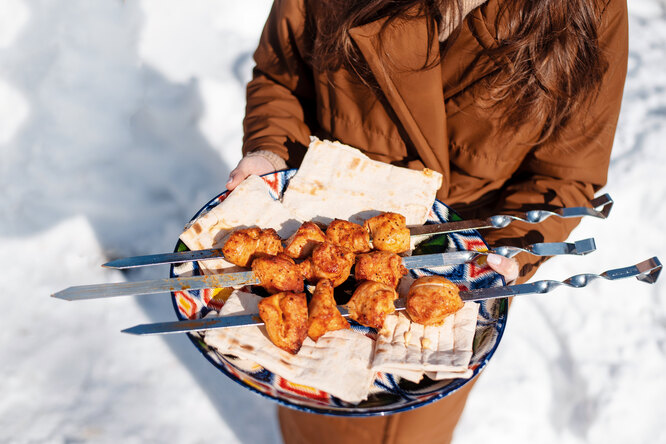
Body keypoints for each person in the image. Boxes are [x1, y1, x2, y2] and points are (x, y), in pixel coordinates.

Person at [225, 0, 628, 442]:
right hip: (320, 224)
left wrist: (509, 247)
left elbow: (564, 175)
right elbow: (281, 76)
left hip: (462, 271)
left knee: (420, 430)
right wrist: (270, 150)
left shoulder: (591, 8)